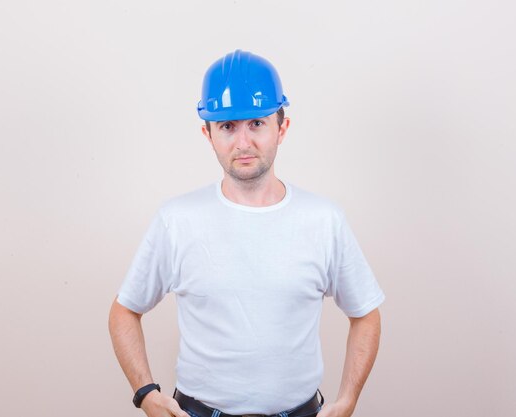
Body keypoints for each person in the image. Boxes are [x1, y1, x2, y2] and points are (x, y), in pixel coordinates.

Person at [108, 49, 385, 417]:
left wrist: (348, 400)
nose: (242, 143)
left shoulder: (323, 220)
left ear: (281, 128)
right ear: (208, 134)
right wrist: (146, 393)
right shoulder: (177, 220)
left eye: (256, 123)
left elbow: (366, 312)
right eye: (227, 126)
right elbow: (124, 310)